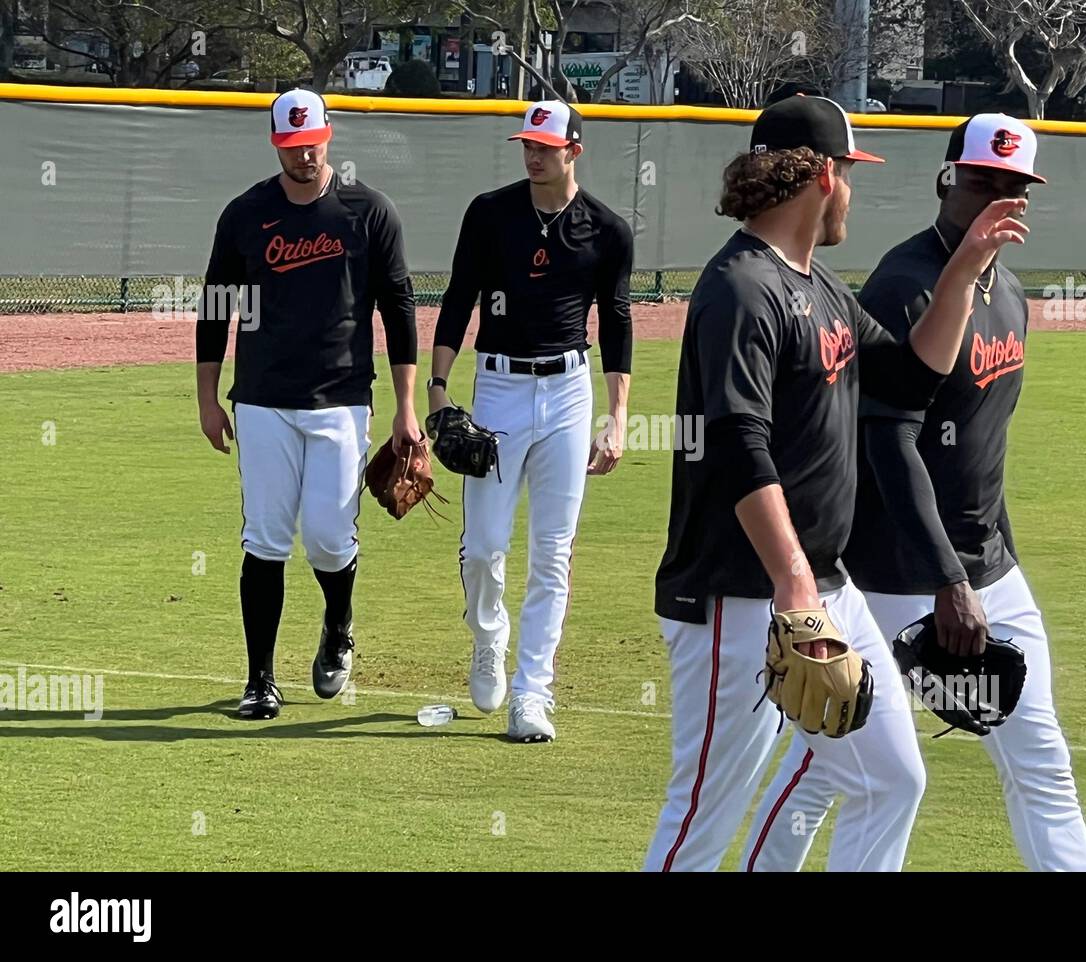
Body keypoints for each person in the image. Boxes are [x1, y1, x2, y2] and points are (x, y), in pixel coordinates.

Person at [644, 95, 1030, 871]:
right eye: (849, 171)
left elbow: (915, 375)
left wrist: (963, 267)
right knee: (703, 820)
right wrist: (793, 588)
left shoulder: (819, 287)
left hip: (824, 586)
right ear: (822, 175)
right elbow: (736, 444)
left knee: (892, 778)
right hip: (741, 594)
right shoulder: (740, 288)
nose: (852, 188)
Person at [743, 113, 1086, 872]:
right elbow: (889, 439)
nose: (997, 197)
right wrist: (949, 579)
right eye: (981, 181)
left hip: (985, 568)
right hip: (900, 576)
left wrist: (996, 563)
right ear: (948, 180)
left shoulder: (1007, 292)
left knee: (1042, 763)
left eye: (1014, 186)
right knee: (832, 767)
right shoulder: (906, 285)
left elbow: (983, 448)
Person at [196, 88, 421, 720]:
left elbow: (399, 310)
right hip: (263, 400)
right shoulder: (246, 214)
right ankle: (260, 680)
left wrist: (406, 407)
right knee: (264, 538)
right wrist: (208, 398)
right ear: (276, 144)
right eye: (291, 147)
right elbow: (215, 307)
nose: (303, 155)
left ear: (330, 134)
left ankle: (338, 623)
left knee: (326, 537)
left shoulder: (368, 213)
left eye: (312, 143)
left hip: (341, 399)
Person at [429, 100, 634, 743]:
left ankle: (532, 693)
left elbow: (618, 321)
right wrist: (438, 390)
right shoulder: (490, 213)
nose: (533, 153)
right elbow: (458, 297)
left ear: (574, 149)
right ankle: (489, 637)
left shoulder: (606, 228)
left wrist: (617, 415)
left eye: (545, 145)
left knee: (552, 554)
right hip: (498, 388)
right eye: (527, 143)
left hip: (570, 393)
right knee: (486, 546)